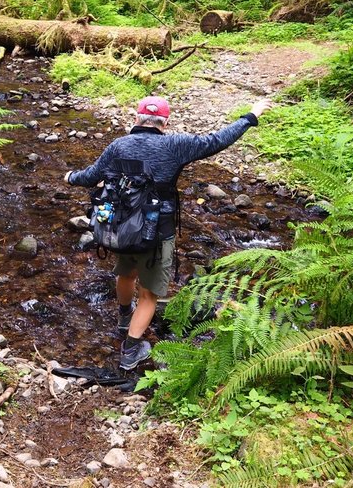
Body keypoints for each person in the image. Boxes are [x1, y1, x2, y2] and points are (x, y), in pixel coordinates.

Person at [63, 95, 274, 370]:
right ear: (165, 122)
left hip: (121, 229)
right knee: (149, 295)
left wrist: (70, 177)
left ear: (137, 118)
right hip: (155, 232)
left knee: (125, 273)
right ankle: (130, 351)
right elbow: (217, 140)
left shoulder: (118, 145)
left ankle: (124, 317)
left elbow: (91, 176)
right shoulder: (175, 145)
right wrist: (251, 115)